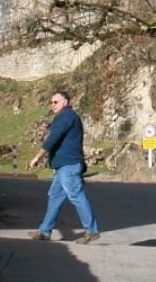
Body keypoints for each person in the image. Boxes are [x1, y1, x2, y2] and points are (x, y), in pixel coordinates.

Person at [28, 90, 101, 244]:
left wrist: (37, 157)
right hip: (64, 166)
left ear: (65, 102)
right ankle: (44, 231)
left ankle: (92, 230)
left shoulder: (66, 116)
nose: (52, 105)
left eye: (56, 102)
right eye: (51, 102)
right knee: (55, 196)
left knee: (76, 195)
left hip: (69, 165)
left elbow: (53, 138)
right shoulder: (67, 117)